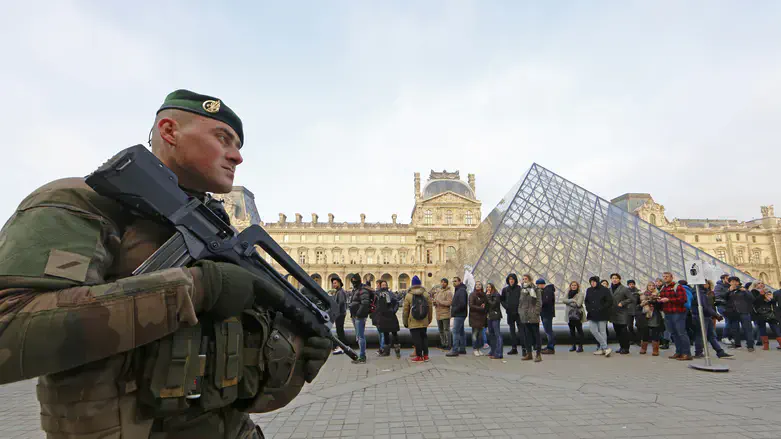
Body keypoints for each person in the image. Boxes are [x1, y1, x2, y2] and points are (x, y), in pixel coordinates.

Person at [0, 89, 331, 438]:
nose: (237, 157)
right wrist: (197, 288)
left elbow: (235, 394)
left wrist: (290, 358)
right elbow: (8, 327)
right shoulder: (81, 202)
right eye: (223, 138)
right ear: (170, 131)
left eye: (239, 146)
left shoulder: (220, 235)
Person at [691, 280, 733, 359]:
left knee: (710, 335)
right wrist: (716, 315)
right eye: (706, 283)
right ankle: (699, 352)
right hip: (702, 316)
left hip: (705, 316)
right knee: (702, 335)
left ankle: (719, 352)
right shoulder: (701, 293)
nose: (708, 285)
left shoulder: (701, 292)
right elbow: (706, 307)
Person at [659, 272, 692, 360]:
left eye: (667, 276)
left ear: (671, 277)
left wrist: (669, 299)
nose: (665, 278)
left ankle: (686, 353)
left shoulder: (678, 287)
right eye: (664, 277)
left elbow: (683, 299)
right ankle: (678, 352)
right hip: (668, 313)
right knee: (674, 333)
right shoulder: (663, 288)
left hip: (678, 313)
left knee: (681, 333)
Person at [404, 276, 433, 362]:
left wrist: (405, 321)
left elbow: (405, 311)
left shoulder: (408, 295)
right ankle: (426, 356)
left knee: (416, 339)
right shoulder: (426, 294)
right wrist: (429, 319)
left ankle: (419, 356)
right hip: (424, 320)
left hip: (413, 321)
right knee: (424, 337)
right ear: (420, 284)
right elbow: (430, 308)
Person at [723, 276, 754, 351]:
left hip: (744, 312)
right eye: (732, 281)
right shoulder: (728, 290)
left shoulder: (743, 289)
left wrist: (745, 291)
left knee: (747, 329)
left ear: (738, 282)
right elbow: (723, 298)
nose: (734, 283)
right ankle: (737, 344)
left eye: (735, 281)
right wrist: (728, 291)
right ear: (729, 283)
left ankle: (750, 345)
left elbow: (752, 298)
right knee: (735, 329)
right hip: (733, 313)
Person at [585, 276, 613, 357]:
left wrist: (601, 308)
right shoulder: (589, 290)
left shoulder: (605, 290)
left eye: (594, 281)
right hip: (591, 313)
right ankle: (605, 347)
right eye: (591, 282)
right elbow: (586, 301)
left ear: (597, 282)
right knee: (593, 330)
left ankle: (602, 349)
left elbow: (609, 301)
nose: (592, 283)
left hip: (602, 313)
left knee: (602, 331)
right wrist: (588, 309)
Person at [519, 274, 543, 362]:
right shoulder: (522, 290)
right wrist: (520, 311)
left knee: (536, 335)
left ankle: (538, 354)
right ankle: (529, 354)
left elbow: (539, 302)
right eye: (523, 279)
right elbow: (520, 302)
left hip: (533, 316)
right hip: (525, 316)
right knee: (527, 336)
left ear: (530, 280)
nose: (524, 280)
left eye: (526, 279)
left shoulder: (536, 289)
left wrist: (536, 312)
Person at [349, 274, 373, 363]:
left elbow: (365, 303)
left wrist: (358, 314)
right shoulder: (356, 289)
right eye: (352, 280)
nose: (353, 282)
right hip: (355, 316)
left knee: (360, 336)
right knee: (358, 336)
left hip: (359, 316)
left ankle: (362, 356)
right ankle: (361, 355)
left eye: (354, 280)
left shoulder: (363, 290)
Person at [375, 280, 401, 358]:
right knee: (386, 334)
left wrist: (394, 311)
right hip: (383, 316)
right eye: (382, 285)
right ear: (380, 285)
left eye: (385, 284)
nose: (383, 286)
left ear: (387, 286)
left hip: (391, 316)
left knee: (394, 333)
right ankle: (386, 351)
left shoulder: (391, 293)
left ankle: (397, 350)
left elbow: (396, 302)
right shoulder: (378, 294)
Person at [750, 281, 780, 351]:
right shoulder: (753, 292)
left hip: (769, 312)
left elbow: (772, 302)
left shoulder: (768, 291)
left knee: (775, 327)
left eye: (762, 283)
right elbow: (755, 302)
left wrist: (770, 298)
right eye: (759, 283)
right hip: (760, 314)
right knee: (762, 329)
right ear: (755, 285)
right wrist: (761, 295)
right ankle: (766, 345)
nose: (761, 284)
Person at [637, 282, 664, 356]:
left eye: (653, 286)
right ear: (647, 287)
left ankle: (655, 350)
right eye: (649, 285)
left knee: (655, 333)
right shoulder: (641, 295)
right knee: (644, 332)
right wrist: (642, 304)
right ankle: (643, 348)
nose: (651, 287)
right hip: (644, 315)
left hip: (655, 315)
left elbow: (661, 307)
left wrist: (654, 301)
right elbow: (637, 306)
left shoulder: (658, 294)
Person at [609, 273, 633, 355]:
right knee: (617, 331)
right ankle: (621, 347)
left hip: (622, 313)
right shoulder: (609, 289)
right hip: (613, 313)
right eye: (613, 278)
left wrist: (623, 303)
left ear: (619, 279)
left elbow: (631, 299)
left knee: (623, 331)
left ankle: (626, 348)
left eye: (616, 278)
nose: (614, 279)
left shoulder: (624, 289)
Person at [447, 276, 469, 357]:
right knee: (461, 332)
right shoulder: (459, 290)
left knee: (455, 331)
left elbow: (462, 304)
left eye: (455, 281)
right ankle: (462, 349)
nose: (454, 282)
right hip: (461, 314)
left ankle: (455, 350)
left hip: (459, 314)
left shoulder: (461, 291)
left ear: (460, 281)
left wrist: (454, 310)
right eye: (453, 281)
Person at [501, 273, 522, 355]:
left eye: (513, 279)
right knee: (512, 332)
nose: (511, 281)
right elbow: (502, 300)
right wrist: (506, 306)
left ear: (515, 280)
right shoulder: (505, 290)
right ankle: (514, 348)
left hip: (519, 313)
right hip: (510, 313)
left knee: (521, 331)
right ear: (508, 280)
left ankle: (524, 348)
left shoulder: (519, 289)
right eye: (510, 279)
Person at [562, 281, 585, 352]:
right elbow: (563, 300)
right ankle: (573, 345)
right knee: (572, 331)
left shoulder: (581, 294)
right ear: (570, 286)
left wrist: (568, 302)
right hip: (569, 315)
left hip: (577, 315)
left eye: (575, 285)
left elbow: (578, 304)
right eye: (572, 285)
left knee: (579, 331)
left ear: (577, 286)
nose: (574, 286)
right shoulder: (567, 293)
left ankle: (580, 346)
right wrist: (572, 300)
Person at [537, 279, 557, 354]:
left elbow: (545, 302)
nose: (537, 287)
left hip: (547, 313)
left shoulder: (547, 291)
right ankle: (550, 345)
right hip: (545, 313)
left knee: (548, 331)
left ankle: (551, 347)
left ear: (541, 284)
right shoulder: (546, 291)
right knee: (548, 330)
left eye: (538, 285)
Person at [433, 278, 453, 351]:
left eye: (444, 282)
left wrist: (439, 302)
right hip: (438, 314)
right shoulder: (439, 292)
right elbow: (437, 301)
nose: (442, 283)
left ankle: (448, 345)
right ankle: (443, 344)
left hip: (445, 314)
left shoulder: (449, 292)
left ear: (447, 284)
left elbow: (449, 303)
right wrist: (435, 303)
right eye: (442, 282)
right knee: (441, 330)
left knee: (446, 330)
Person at [469, 281, 488, 356]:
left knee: (480, 335)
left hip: (482, 317)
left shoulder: (484, 295)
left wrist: (485, 305)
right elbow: (471, 305)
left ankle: (479, 349)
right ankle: (475, 349)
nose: (477, 286)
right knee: (475, 334)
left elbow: (486, 305)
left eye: (479, 284)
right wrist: (480, 308)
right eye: (476, 285)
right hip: (474, 317)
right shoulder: (472, 295)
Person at [485, 283, 504, 359]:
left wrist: (488, 297)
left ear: (493, 287)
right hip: (489, 316)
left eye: (489, 287)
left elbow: (493, 304)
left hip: (495, 316)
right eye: (487, 287)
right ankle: (493, 351)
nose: (488, 288)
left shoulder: (496, 294)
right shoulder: (488, 295)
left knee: (497, 334)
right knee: (491, 334)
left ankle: (499, 353)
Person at [331, 276, 348, 355]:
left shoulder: (340, 292)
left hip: (340, 314)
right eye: (333, 283)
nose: (333, 284)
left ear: (339, 283)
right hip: (340, 313)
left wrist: (335, 311)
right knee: (340, 330)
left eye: (335, 283)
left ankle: (342, 347)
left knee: (340, 331)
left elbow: (340, 303)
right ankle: (343, 347)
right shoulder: (338, 291)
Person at [626, 280, 641, 346]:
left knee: (638, 325)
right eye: (630, 284)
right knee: (629, 326)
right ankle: (632, 339)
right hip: (628, 310)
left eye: (632, 284)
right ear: (628, 285)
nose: (631, 285)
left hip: (637, 310)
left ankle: (639, 340)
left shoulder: (638, 291)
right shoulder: (625, 291)